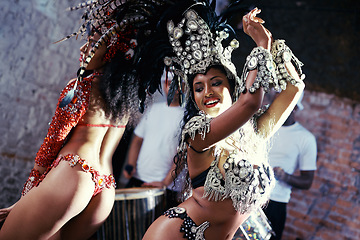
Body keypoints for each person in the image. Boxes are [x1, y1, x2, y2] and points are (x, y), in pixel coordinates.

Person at [136, 1, 306, 239]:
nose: (207, 92)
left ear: (232, 85)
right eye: (198, 87)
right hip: (176, 233)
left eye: (216, 82)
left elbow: (294, 88)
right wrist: (261, 45)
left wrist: (270, 41)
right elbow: (250, 103)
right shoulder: (197, 133)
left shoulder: (254, 132)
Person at [0, 2, 145, 239]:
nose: (84, 47)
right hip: (105, 190)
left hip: (74, 175)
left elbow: (50, 145)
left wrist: (26, 197)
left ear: (111, 51)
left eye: (94, 42)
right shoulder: (123, 102)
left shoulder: (81, 88)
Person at [123, 69, 185, 208]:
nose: (171, 87)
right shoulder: (153, 109)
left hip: (167, 187)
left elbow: (184, 155)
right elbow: (138, 139)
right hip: (139, 179)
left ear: (184, 86)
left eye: (176, 84)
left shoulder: (188, 115)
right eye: (168, 83)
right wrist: (130, 165)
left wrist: (165, 182)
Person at [263, 93, 317, 240]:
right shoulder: (262, 126)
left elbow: (307, 181)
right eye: (275, 102)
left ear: (294, 107)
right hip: (247, 197)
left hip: (275, 203)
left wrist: (285, 176)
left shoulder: (306, 138)